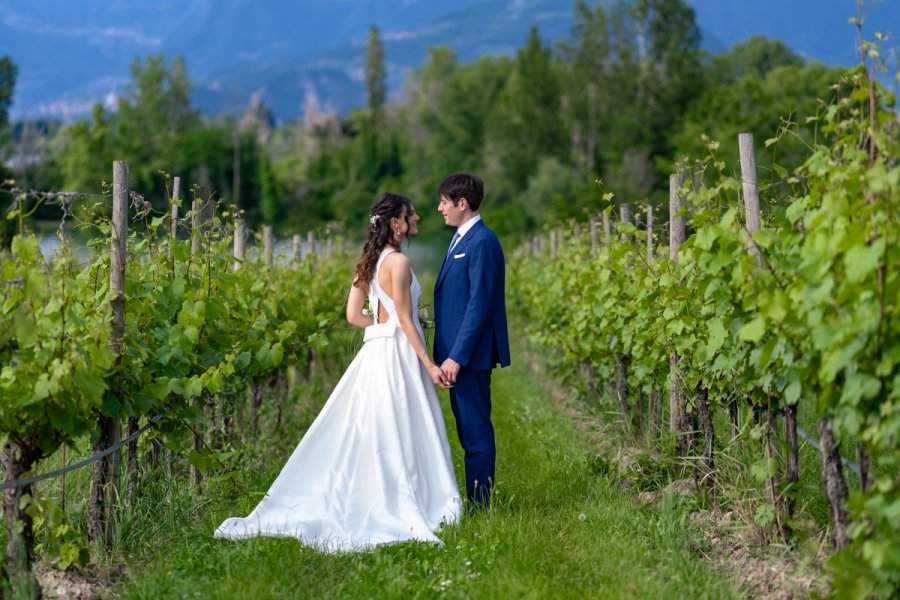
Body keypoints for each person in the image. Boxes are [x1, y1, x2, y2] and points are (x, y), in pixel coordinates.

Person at [215, 192, 462, 551]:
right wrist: (429, 363)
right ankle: (416, 495)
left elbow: (352, 316)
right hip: (399, 353)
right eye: (412, 214)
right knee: (407, 420)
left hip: (376, 351)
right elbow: (406, 320)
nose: (419, 217)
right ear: (396, 223)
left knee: (377, 422)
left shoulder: (370, 261)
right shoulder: (400, 264)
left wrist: (378, 329)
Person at [433, 173, 510, 509]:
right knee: (466, 430)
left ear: (462, 203)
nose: (439, 209)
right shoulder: (461, 239)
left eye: (444, 203)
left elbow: (480, 303)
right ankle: (475, 499)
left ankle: (480, 506)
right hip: (455, 354)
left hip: (469, 357)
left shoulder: (482, 241)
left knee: (476, 432)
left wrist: (457, 357)